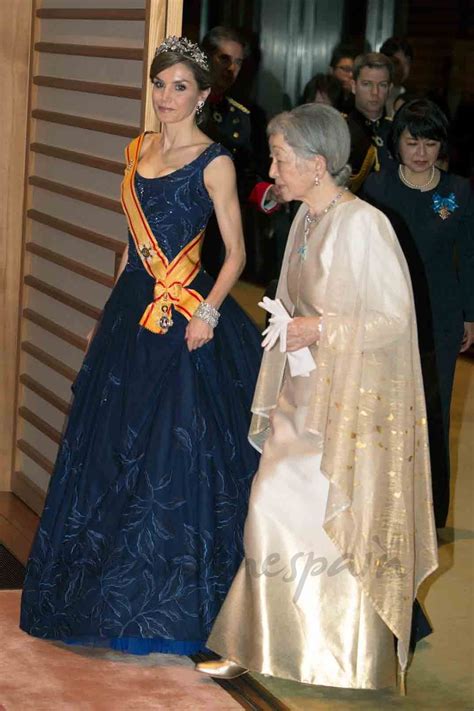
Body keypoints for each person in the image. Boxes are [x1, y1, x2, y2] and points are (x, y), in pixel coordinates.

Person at [20, 36, 262, 655]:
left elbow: (235, 254)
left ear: (204, 96)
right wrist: (110, 314)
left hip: (191, 319)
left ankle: (168, 602)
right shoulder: (136, 151)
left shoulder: (216, 162)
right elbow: (131, 246)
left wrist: (208, 311)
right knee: (109, 449)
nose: (166, 98)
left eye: (180, 87)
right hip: (133, 310)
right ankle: (98, 594)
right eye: (160, 85)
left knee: (175, 453)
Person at [196, 104, 438, 690]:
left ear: (317, 163)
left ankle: (346, 651)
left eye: (280, 158)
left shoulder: (363, 225)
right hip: (300, 396)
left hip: (348, 407)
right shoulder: (305, 219)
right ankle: (252, 641)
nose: (272, 169)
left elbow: (392, 320)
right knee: (269, 508)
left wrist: (321, 328)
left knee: (335, 526)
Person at [362, 99, 474, 528]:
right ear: (398, 143)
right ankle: (386, 503)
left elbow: (469, 255)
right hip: (387, 313)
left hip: (441, 318)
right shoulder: (378, 188)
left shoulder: (458, 191)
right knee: (385, 408)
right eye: (413, 142)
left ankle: (432, 511)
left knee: (434, 410)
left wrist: (469, 313)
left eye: (431, 142)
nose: (422, 152)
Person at [200, 26, 280, 278]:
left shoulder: (242, 116)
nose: (231, 69)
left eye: (238, 62)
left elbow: (244, 172)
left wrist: (266, 193)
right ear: (205, 56)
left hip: (217, 222)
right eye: (224, 59)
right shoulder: (182, 101)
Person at [347, 52, 394, 192]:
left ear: (390, 89)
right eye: (367, 84)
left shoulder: (398, 131)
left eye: (382, 85)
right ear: (354, 86)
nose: (375, 92)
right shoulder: (339, 130)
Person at [379, 37, 413, 118]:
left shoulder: (414, 98)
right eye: (396, 63)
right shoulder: (375, 93)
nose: (401, 69)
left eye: (406, 62)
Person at [328, 43, 357, 113]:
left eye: (354, 71)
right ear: (332, 70)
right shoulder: (323, 90)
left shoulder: (356, 94)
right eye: (346, 69)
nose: (351, 75)